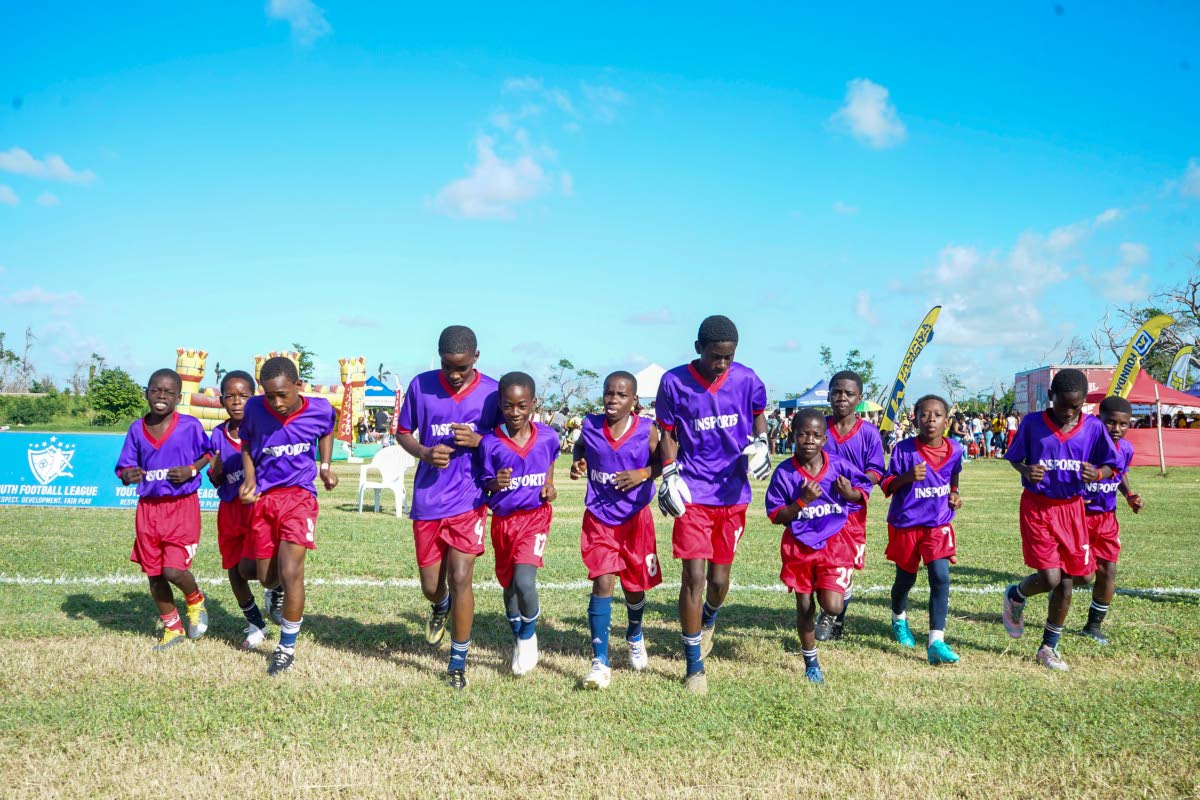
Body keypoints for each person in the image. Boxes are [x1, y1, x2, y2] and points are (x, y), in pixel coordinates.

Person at [655, 315, 769, 694]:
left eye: (729, 357)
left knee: (718, 583)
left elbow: (758, 417)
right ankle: (693, 667)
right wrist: (669, 472)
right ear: (698, 348)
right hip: (694, 493)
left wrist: (762, 443)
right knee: (694, 578)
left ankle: (709, 619)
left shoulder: (747, 378)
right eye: (716, 356)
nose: (722, 364)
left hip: (732, 493)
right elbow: (668, 433)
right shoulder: (673, 381)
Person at [394, 325, 499, 690]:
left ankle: (457, 661)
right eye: (447, 366)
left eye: (462, 368)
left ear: (476, 358)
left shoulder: (493, 392)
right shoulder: (421, 385)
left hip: (470, 499)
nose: (454, 375)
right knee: (431, 586)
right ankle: (439, 606)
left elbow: (509, 439)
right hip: (428, 498)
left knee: (461, 578)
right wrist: (424, 452)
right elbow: (403, 431)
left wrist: (480, 439)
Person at [1001, 369, 1120, 671]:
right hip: (1038, 508)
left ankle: (1046, 644)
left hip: (1072, 509)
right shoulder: (1031, 424)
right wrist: (1026, 470)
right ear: (1051, 396)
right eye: (1063, 404)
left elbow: (1112, 464)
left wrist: (1099, 473)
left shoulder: (1092, 427)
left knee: (1082, 577)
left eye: (1076, 406)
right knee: (1055, 580)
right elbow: (1015, 457)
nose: (1069, 412)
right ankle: (1023, 607)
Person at [239, 356, 338, 676]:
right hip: (266, 499)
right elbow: (247, 443)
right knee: (267, 575)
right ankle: (274, 589)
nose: (277, 402)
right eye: (270, 395)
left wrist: (325, 465)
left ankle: (286, 648)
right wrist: (250, 478)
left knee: (292, 570)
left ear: (298, 386)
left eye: (283, 394)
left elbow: (327, 428)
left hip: (300, 498)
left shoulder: (320, 408)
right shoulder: (254, 409)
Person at [570, 371, 662, 689]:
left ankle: (634, 634)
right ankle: (600, 661)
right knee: (602, 582)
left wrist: (643, 473)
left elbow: (663, 463)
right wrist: (578, 462)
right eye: (609, 393)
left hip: (636, 519)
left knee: (635, 588)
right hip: (599, 517)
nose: (613, 399)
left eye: (621, 395)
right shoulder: (590, 425)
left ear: (634, 400)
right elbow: (580, 449)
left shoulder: (647, 430)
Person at [765, 407, 869, 684]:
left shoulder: (838, 465)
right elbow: (777, 516)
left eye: (816, 435)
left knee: (832, 606)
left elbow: (863, 491)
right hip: (799, 547)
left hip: (834, 543)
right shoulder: (785, 473)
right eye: (803, 434)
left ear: (825, 439)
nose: (809, 440)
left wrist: (850, 493)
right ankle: (811, 660)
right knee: (804, 606)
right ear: (792, 435)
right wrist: (801, 502)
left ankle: (837, 601)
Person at [115, 368, 212, 651]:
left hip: (181, 507)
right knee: (155, 574)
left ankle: (195, 600)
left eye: (169, 392)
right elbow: (124, 468)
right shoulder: (136, 428)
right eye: (156, 390)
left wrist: (192, 469)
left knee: (173, 570)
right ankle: (172, 628)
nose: (161, 396)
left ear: (178, 397)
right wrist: (127, 475)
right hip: (149, 509)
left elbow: (208, 453)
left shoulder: (189, 426)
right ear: (146, 392)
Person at [478, 372, 559, 678]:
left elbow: (549, 463)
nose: (515, 413)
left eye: (522, 406)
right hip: (503, 522)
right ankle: (517, 634)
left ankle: (528, 636)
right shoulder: (490, 444)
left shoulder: (549, 436)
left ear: (533, 404)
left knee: (525, 581)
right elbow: (485, 485)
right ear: (501, 405)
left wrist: (549, 486)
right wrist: (495, 484)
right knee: (509, 585)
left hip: (535, 518)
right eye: (509, 406)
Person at [881, 394, 963, 665]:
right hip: (906, 524)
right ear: (915, 419)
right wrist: (907, 477)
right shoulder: (904, 450)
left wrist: (954, 493)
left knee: (940, 577)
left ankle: (936, 641)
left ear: (946, 421)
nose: (931, 420)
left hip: (937, 523)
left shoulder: (955, 449)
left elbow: (954, 473)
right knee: (906, 580)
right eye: (924, 415)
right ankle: (899, 618)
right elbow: (887, 484)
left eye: (937, 415)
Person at [207, 369, 274, 648]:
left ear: (254, 397)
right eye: (230, 396)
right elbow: (216, 479)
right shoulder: (217, 435)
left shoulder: (264, 430)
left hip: (258, 509)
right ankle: (255, 624)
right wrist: (216, 473)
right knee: (234, 570)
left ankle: (275, 588)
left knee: (261, 567)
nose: (237, 401)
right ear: (222, 400)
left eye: (243, 396)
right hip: (230, 512)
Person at [815, 370, 883, 642]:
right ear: (829, 394)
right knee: (819, 563)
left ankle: (835, 618)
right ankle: (823, 613)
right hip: (820, 511)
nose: (842, 398)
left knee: (845, 568)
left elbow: (877, 471)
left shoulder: (868, 433)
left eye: (849, 393)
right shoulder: (819, 428)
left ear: (859, 399)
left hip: (852, 514)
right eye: (837, 392)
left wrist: (853, 489)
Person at [1076, 396, 1144, 644]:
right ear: (1098, 420)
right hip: (1080, 517)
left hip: (1106, 519)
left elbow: (1121, 473)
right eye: (1110, 423)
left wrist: (1129, 495)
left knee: (1108, 569)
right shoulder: (1084, 446)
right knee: (1083, 576)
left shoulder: (1125, 449)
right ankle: (1056, 586)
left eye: (1122, 424)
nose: (1116, 429)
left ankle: (1093, 627)